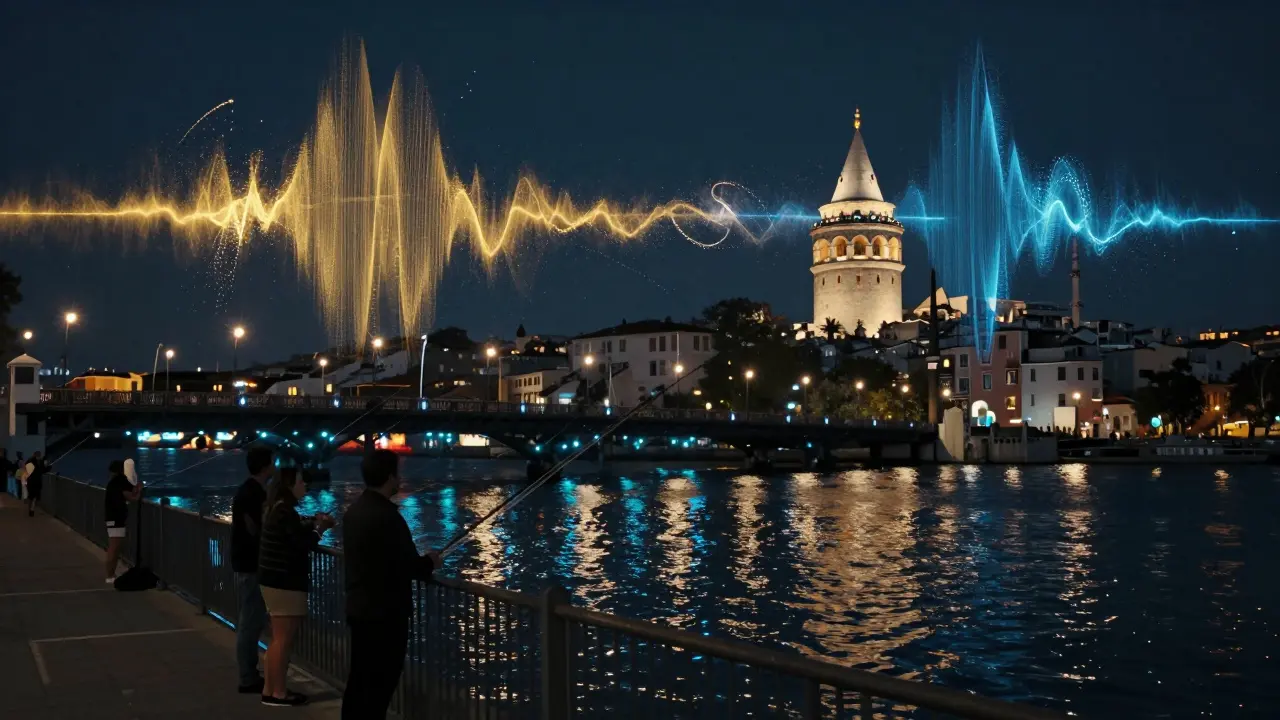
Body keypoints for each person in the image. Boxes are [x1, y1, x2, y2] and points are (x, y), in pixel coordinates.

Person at [341, 449, 439, 720]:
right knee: (380, 685)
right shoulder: (388, 518)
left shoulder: (354, 512)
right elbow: (407, 565)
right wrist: (430, 562)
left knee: (359, 680)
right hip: (385, 615)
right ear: (389, 477)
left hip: (358, 608)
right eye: (398, 473)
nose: (400, 478)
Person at [258, 466, 335, 707]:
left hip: (272, 580)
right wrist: (320, 529)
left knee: (276, 639)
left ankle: (270, 690)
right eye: (301, 482)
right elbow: (302, 545)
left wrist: (311, 521)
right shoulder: (284, 512)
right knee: (283, 639)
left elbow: (291, 532)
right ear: (290, 485)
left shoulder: (277, 508)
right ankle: (278, 693)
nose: (305, 485)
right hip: (285, 582)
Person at [230, 447, 273, 695]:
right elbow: (255, 529)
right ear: (266, 466)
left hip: (244, 562)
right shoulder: (254, 493)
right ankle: (247, 677)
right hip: (252, 564)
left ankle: (249, 673)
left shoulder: (246, 490)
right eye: (273, 462)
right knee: (250, 621)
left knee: (250, 620)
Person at [103, 459, 141, 583]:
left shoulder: (112, 483)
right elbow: (132, 498)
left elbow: (124, 494)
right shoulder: (120, 481)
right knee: (114, 547)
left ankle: (111, 574)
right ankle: (110, 576)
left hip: (111, 517)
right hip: (117, 518)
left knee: (113, 547)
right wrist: (139, 490)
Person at [24, 451, 47, 517]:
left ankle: (31, 509)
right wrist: (47, 466)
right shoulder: (37, 462)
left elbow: (43, 470)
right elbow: (43, 470)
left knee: (32, 497)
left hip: (33, 481)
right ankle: (32, 509)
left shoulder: (31, 461)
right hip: (35, 482)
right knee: (34, 497)